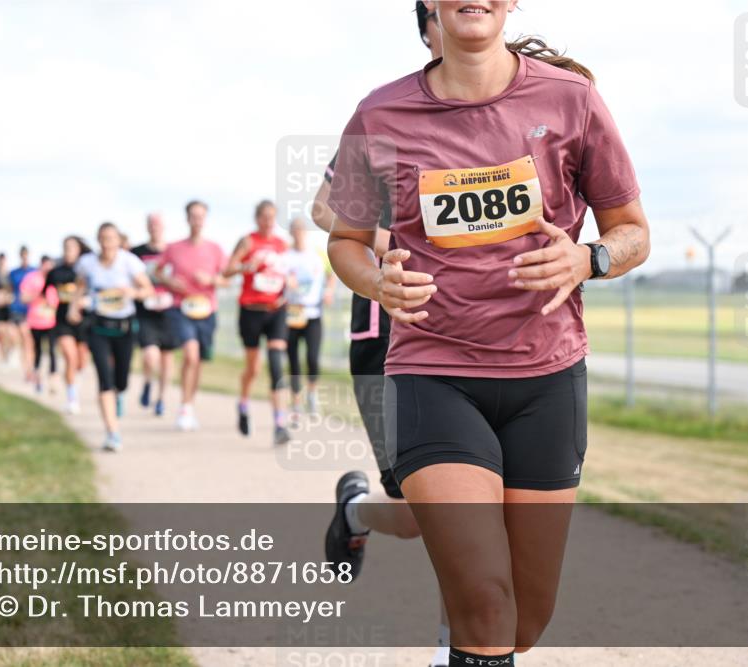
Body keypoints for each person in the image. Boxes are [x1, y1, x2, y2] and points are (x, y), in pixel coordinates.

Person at [326, 2, 650, 665]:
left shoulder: (572, 99)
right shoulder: (380, 114)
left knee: (522, 623)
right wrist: (377, 283)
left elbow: (633, 233)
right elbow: (345, 240)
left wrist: (589, 258)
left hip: (547, 378)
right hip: (433, 373)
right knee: (482, 600)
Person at [317, 5, 451, 665]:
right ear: (428, 31)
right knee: (422, 514)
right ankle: (357, 511)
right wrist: (389, 233)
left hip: (482, 338)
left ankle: (460, 648)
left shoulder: (511, 113)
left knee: (481, 503)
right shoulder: (388, 116)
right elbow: (325, 208)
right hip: (390, 337)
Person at [69, 222, 154, 451]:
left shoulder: (129, 262)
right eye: (103, 238)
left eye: (111, 238)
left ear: (118, 240)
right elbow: (80, 287)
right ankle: (112, 432)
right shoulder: (88, 263)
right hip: (98, 327)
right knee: (105, 379)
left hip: (123, 327)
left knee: (121, 380)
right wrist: (74, 307)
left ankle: (120, 393)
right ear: (98, 240)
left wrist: (133, 292)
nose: (107, 243)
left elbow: (148, 290)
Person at [155, 201, 228, 432]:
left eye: (201, 216)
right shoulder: (173, 247)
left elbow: (227, 279)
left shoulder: (215, 249)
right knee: (190, 354)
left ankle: (188, 405)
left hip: (207, 310)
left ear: (205, 220)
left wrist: (211, 280)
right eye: (193, 216)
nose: (197, 220)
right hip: (181, 308)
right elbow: (157, 272)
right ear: (187, 219)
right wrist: (170, 281)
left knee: (198, 362)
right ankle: (184, 409)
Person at [223, 200, 291, 445]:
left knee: (276, 364)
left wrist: (289, 285)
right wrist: (244, 267)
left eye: (272, 217)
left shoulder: (282, 244)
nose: (269, 221)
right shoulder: (248, 241)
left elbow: (287, 272)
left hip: (276, 310)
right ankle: (243, 404)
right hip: (251, 311)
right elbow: (227, 271)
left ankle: (279, 423)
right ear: (257, 218)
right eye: (265, 217)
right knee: (253, 369)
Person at [284, 217, 336, 415]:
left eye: (301, 230)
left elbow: (332, 273)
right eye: (295, 230)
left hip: (313, 313)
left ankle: (312, 395)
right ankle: (296, 400)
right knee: (293, 359)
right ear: (291, 233)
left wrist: (329, 291)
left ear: (305, 232)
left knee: (312, 357)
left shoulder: (317, 253)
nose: (298, 234)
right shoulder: (285, 256)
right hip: (291, 314)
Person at [132, 213, 177, 417]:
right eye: (151, 224)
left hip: (169, 311)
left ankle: (161, 398)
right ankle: (148, 382)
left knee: (167, 358)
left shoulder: (173, 251)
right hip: (146, 311)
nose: (155, 227)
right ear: (147, 227)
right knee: (150, 355)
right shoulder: (137, 252)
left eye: (158, 224)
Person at [46, 235, 91, 414]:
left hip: (84, 320)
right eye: (66, 248)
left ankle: (75, 382)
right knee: (70, 357)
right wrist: (48, 303)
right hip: (63, 319)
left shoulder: (87, 270)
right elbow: (46, 291)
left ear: (79, 250)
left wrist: (86, 300)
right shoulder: (56, 272)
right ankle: (72, 398)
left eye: (72, 248)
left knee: (81, 361)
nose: (68, 251)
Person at [20, 255, 59, 394]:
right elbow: (23, 298)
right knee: (37, 351)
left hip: (51, 321)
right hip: (35, 322)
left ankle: (53, 381)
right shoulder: (32, 278)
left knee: (52, 350)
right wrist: (38, 295)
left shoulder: (55, 279)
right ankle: (37, 379)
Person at [8, 246, 36, 380]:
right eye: (22, 255)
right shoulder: (14, 273)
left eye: (26, 255)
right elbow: (10, 290)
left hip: (32, 310)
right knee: (17, 337)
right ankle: (25, 366)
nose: (25, 257)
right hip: (17, 309)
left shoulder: (34, 272)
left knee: (27, 340)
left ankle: (28, 369)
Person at [0, 252, 16, 366]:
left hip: (7, 308)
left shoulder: (9, 275)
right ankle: (2, 356)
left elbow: (12, 290)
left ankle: (8, 353)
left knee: (11, 334)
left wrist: (7, 297)